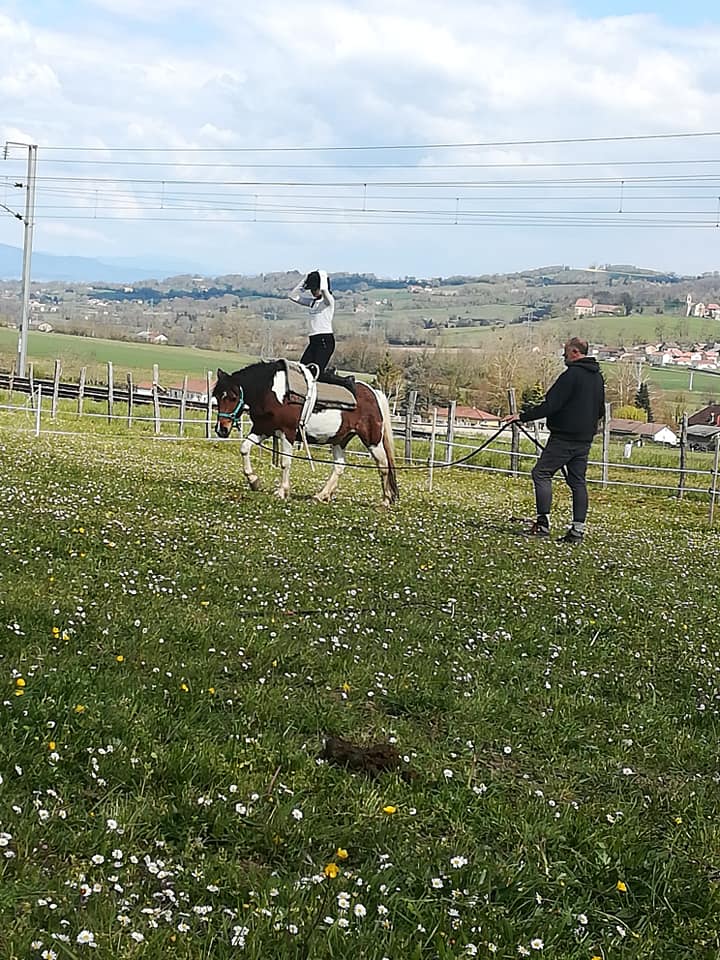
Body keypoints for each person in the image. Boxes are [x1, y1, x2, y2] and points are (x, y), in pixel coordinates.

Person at [503, 337, 605, 543]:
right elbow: (601, 410)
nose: (563, 356)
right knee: (577, 482)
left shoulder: (571, 375)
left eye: (566, 352)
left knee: (541, 473)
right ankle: (577, 530)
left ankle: (542, 524)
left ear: (575, 352)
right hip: (584, 439)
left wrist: (521, 416)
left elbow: (550, 405)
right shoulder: (597, 378)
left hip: (564, 437)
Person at [288, 270, 355, 393]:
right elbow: (292, 296)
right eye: (312, 289)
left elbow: (324, 291)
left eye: (315, 289)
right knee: (302, 370)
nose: (313, 292)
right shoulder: (313, 303)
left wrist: (323, 275)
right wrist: (305, 280)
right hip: (313, 342)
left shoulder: (328, 301)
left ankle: (345, 381)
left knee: (317, 373)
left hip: (325, 341)